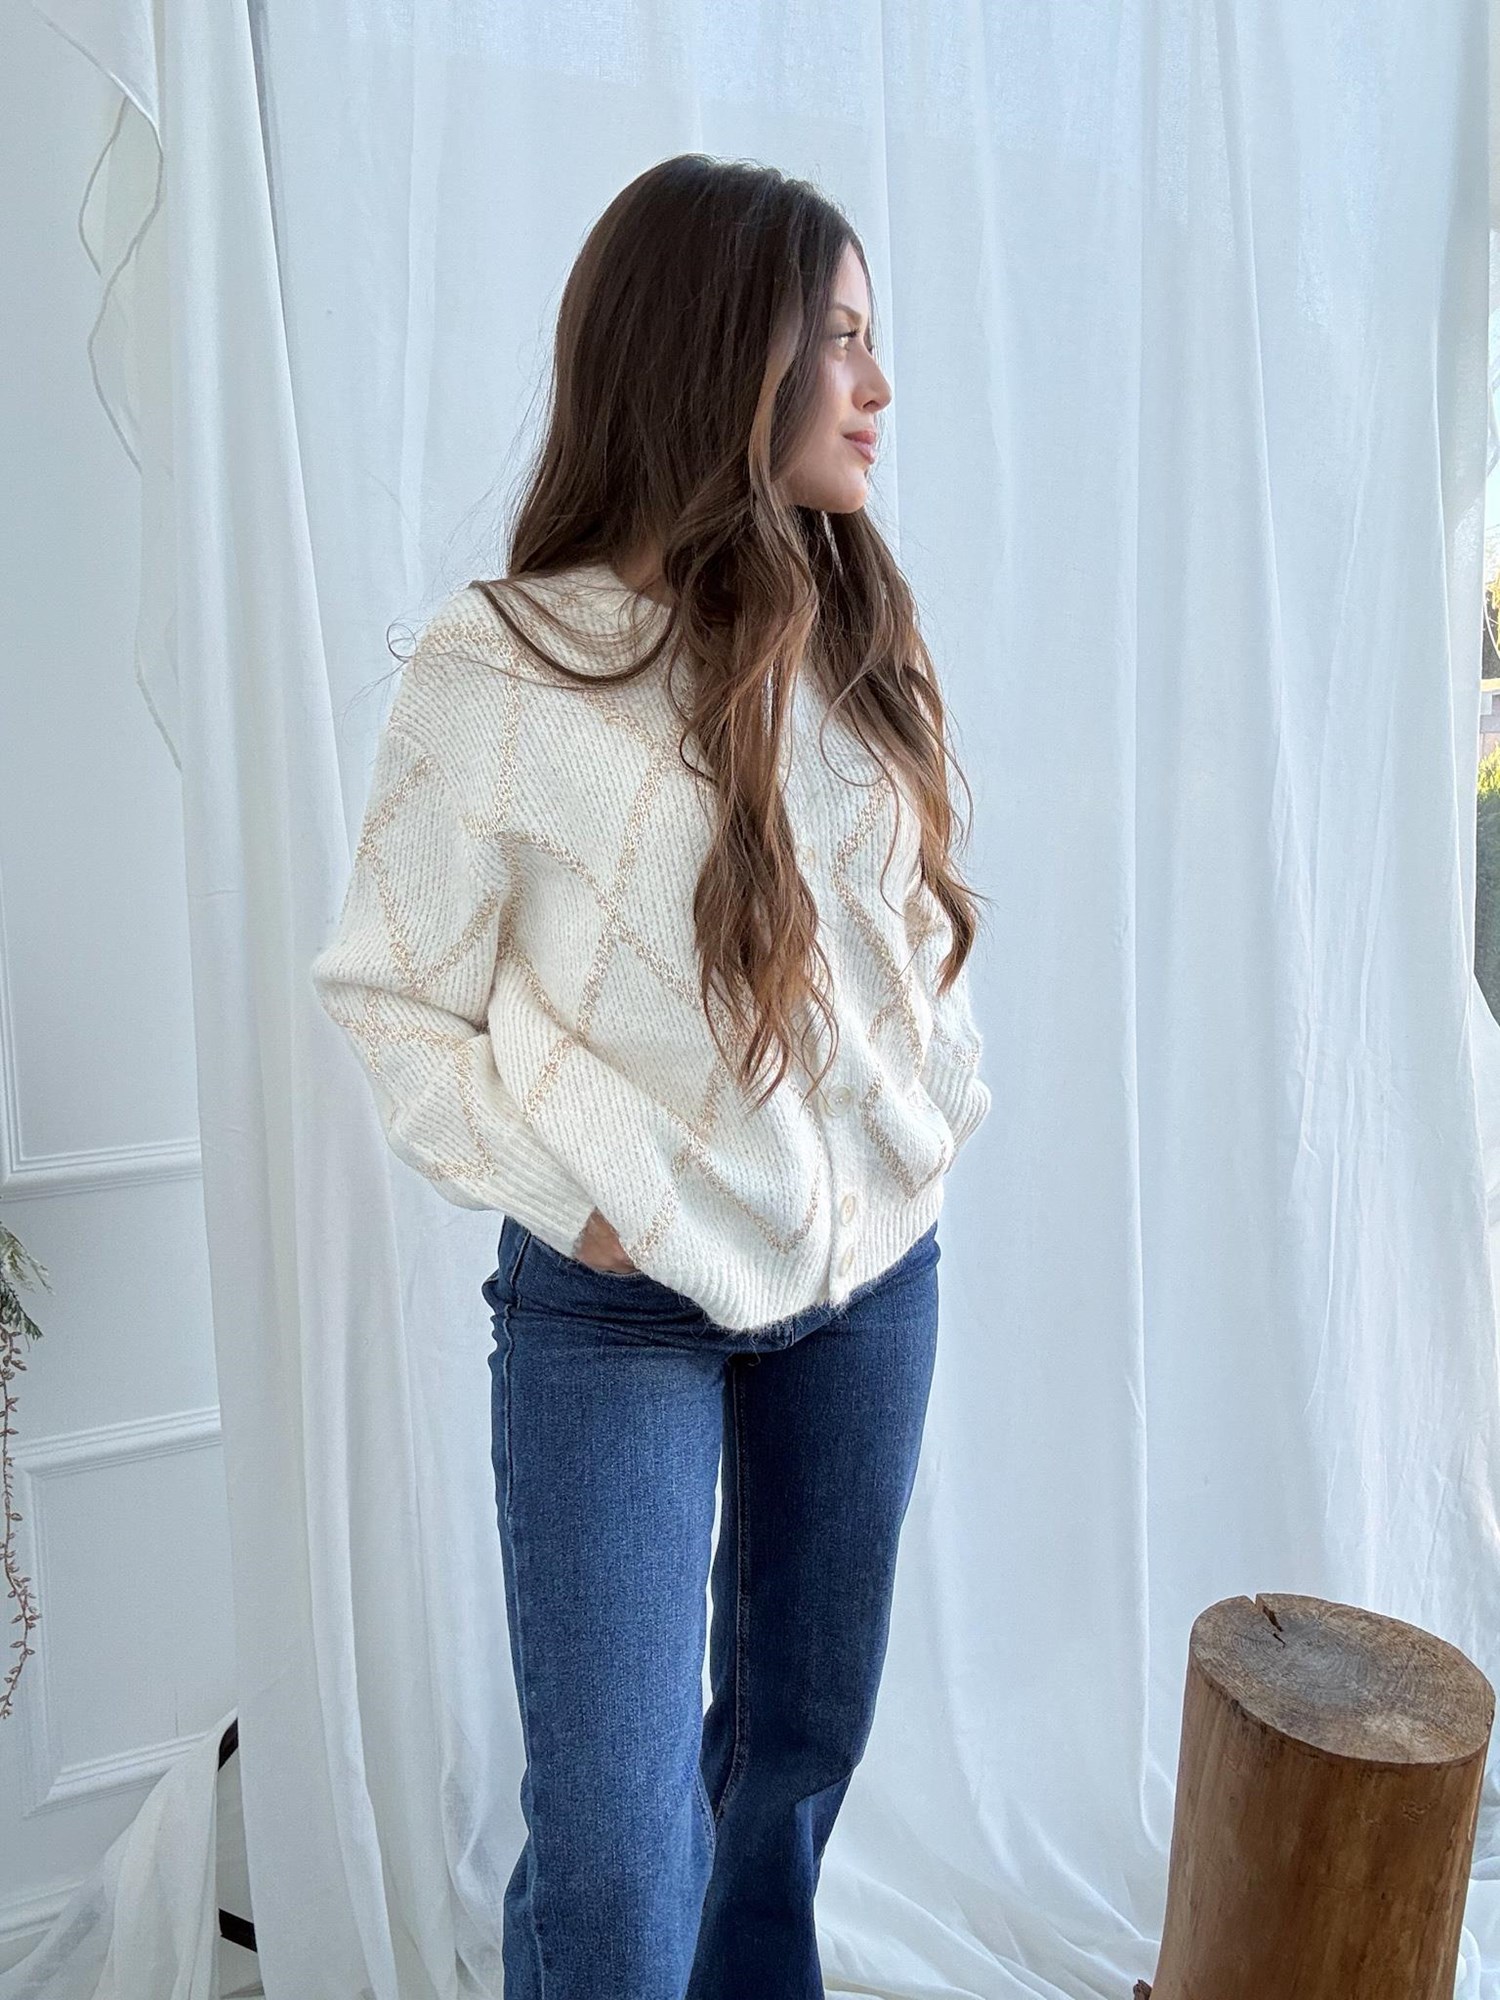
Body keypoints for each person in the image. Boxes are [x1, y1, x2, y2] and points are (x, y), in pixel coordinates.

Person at [311, 152, 992, 2000]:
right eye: (837, 338)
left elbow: (900, 945)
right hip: (618, 1309)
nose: (877, 383)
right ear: (716, 347)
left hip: (869, 1289)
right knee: (616, 1866)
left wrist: (923, 1120)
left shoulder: (854, 626)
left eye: (873, 339)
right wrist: (578, 1198)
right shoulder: (500, 668)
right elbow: (387, 994)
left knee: (791, 1765)